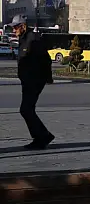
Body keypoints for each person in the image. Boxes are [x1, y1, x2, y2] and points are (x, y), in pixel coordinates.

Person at [13, 15, 55, 149]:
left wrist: (47, 77)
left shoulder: (33, 39)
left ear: (22, 26)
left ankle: (42, 136)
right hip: (28, 80)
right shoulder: (24, 39)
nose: (14, 31)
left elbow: (46, 59)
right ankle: (42, 136)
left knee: (26, 109)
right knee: (26, 109)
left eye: (15, 27)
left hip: (35, 80)